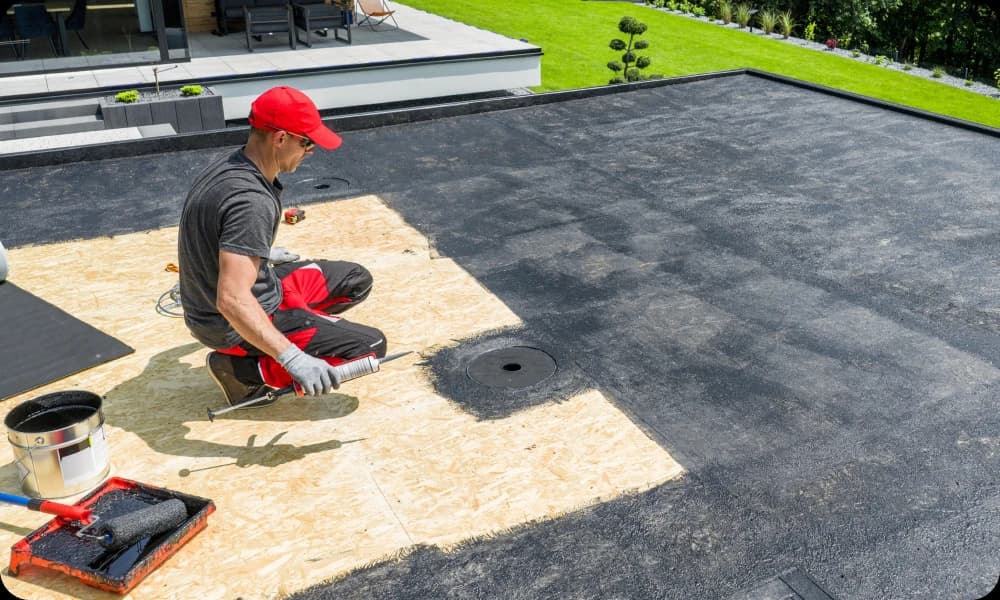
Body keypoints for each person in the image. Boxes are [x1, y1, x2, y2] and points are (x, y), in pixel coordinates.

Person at [177, 85, 387, 408]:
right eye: (307, 143)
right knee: (372, 346)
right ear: (280, 139)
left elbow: (213, 236)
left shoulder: (234, 166)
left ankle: (300, 329)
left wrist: (258, 252)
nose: (310, 151)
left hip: (256, 290)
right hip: (230, 325)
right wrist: (292, 358)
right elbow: (232, 299)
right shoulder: (251, 201)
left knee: (356, 279)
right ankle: (242, 369)